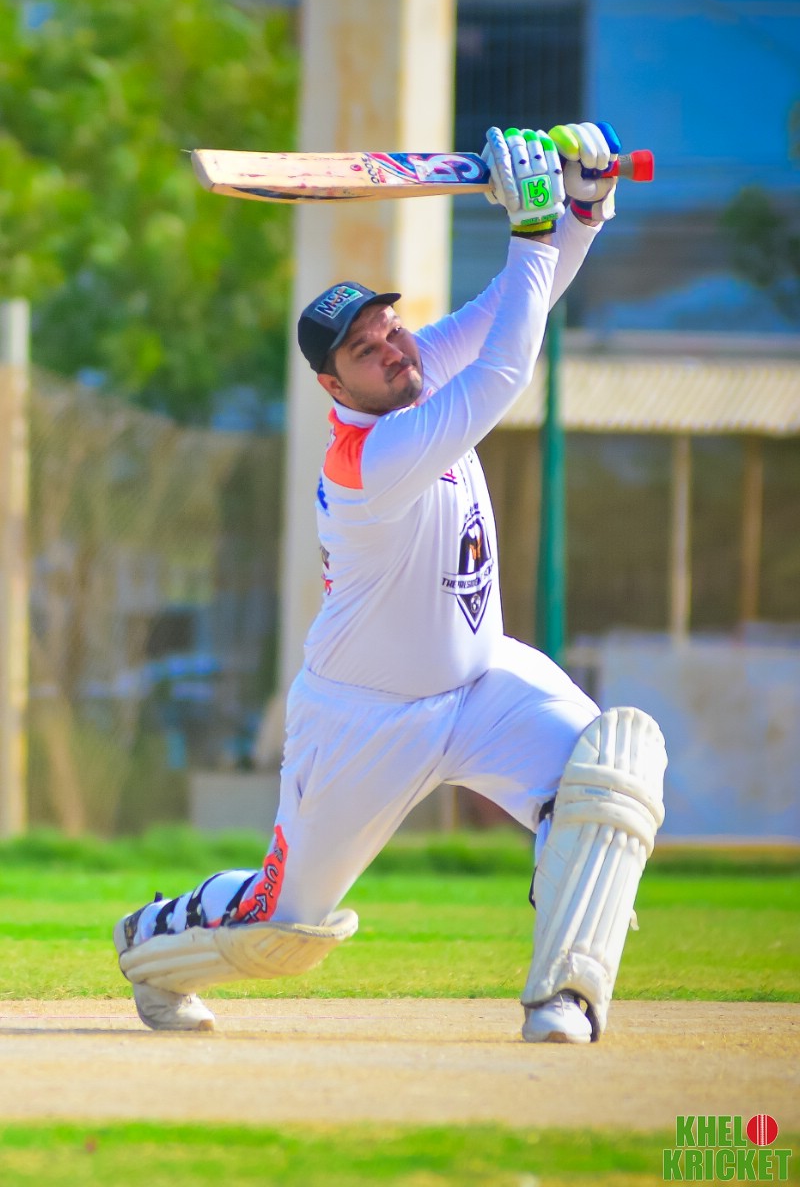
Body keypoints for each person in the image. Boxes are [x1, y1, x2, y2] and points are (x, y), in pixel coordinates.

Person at [114, 122, 667, 1043]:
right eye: (366, 351)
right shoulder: (368, 458)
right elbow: (506, 369)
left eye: (391, 327)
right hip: (363, 720)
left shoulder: (415, 371)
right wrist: (532, 229)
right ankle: (155, 939)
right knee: (285, 931)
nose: (395, 349)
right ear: (336, 387)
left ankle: (565, 997)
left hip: (482, 683)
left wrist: (583, 208)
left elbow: (511, 306)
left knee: (613, 772)